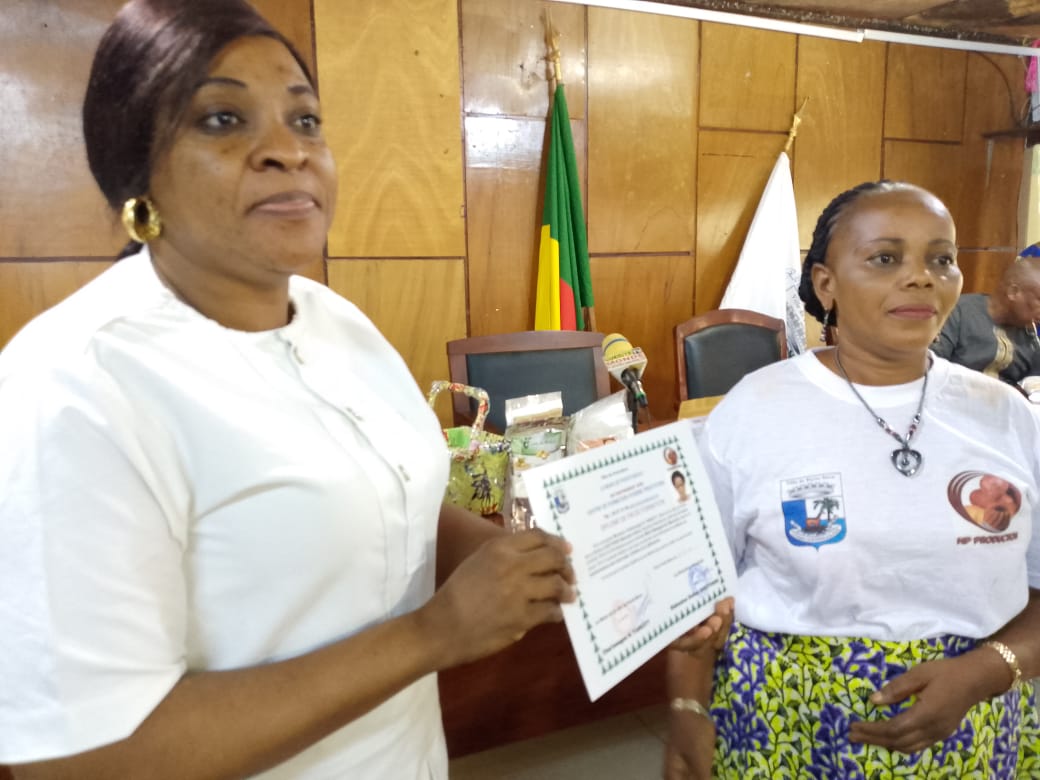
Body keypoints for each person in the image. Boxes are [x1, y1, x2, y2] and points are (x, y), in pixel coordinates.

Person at [0, 2, 583, 777]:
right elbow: (82, 760)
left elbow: (389, 503)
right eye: (222, 119)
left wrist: (521, 563)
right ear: (136, 172)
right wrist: (434, 635)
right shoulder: (76, 385)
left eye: (305, 120)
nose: (288, 151)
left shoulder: (336, 322)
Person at [665, 180, 1040, 779]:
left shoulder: (1007, 414)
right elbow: (697, 589)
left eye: (941, 259)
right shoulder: (755, 409)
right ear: (826, 284)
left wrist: (989, 669)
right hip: (783, 726)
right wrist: (686, 708)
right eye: (885, 258)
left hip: (973, 725)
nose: (921, 278)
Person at [931, 244, 1040, 387]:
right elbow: (931, 371)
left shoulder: (1029, 335)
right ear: (1013, 292)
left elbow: (1035, 384)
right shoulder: (957, 313)